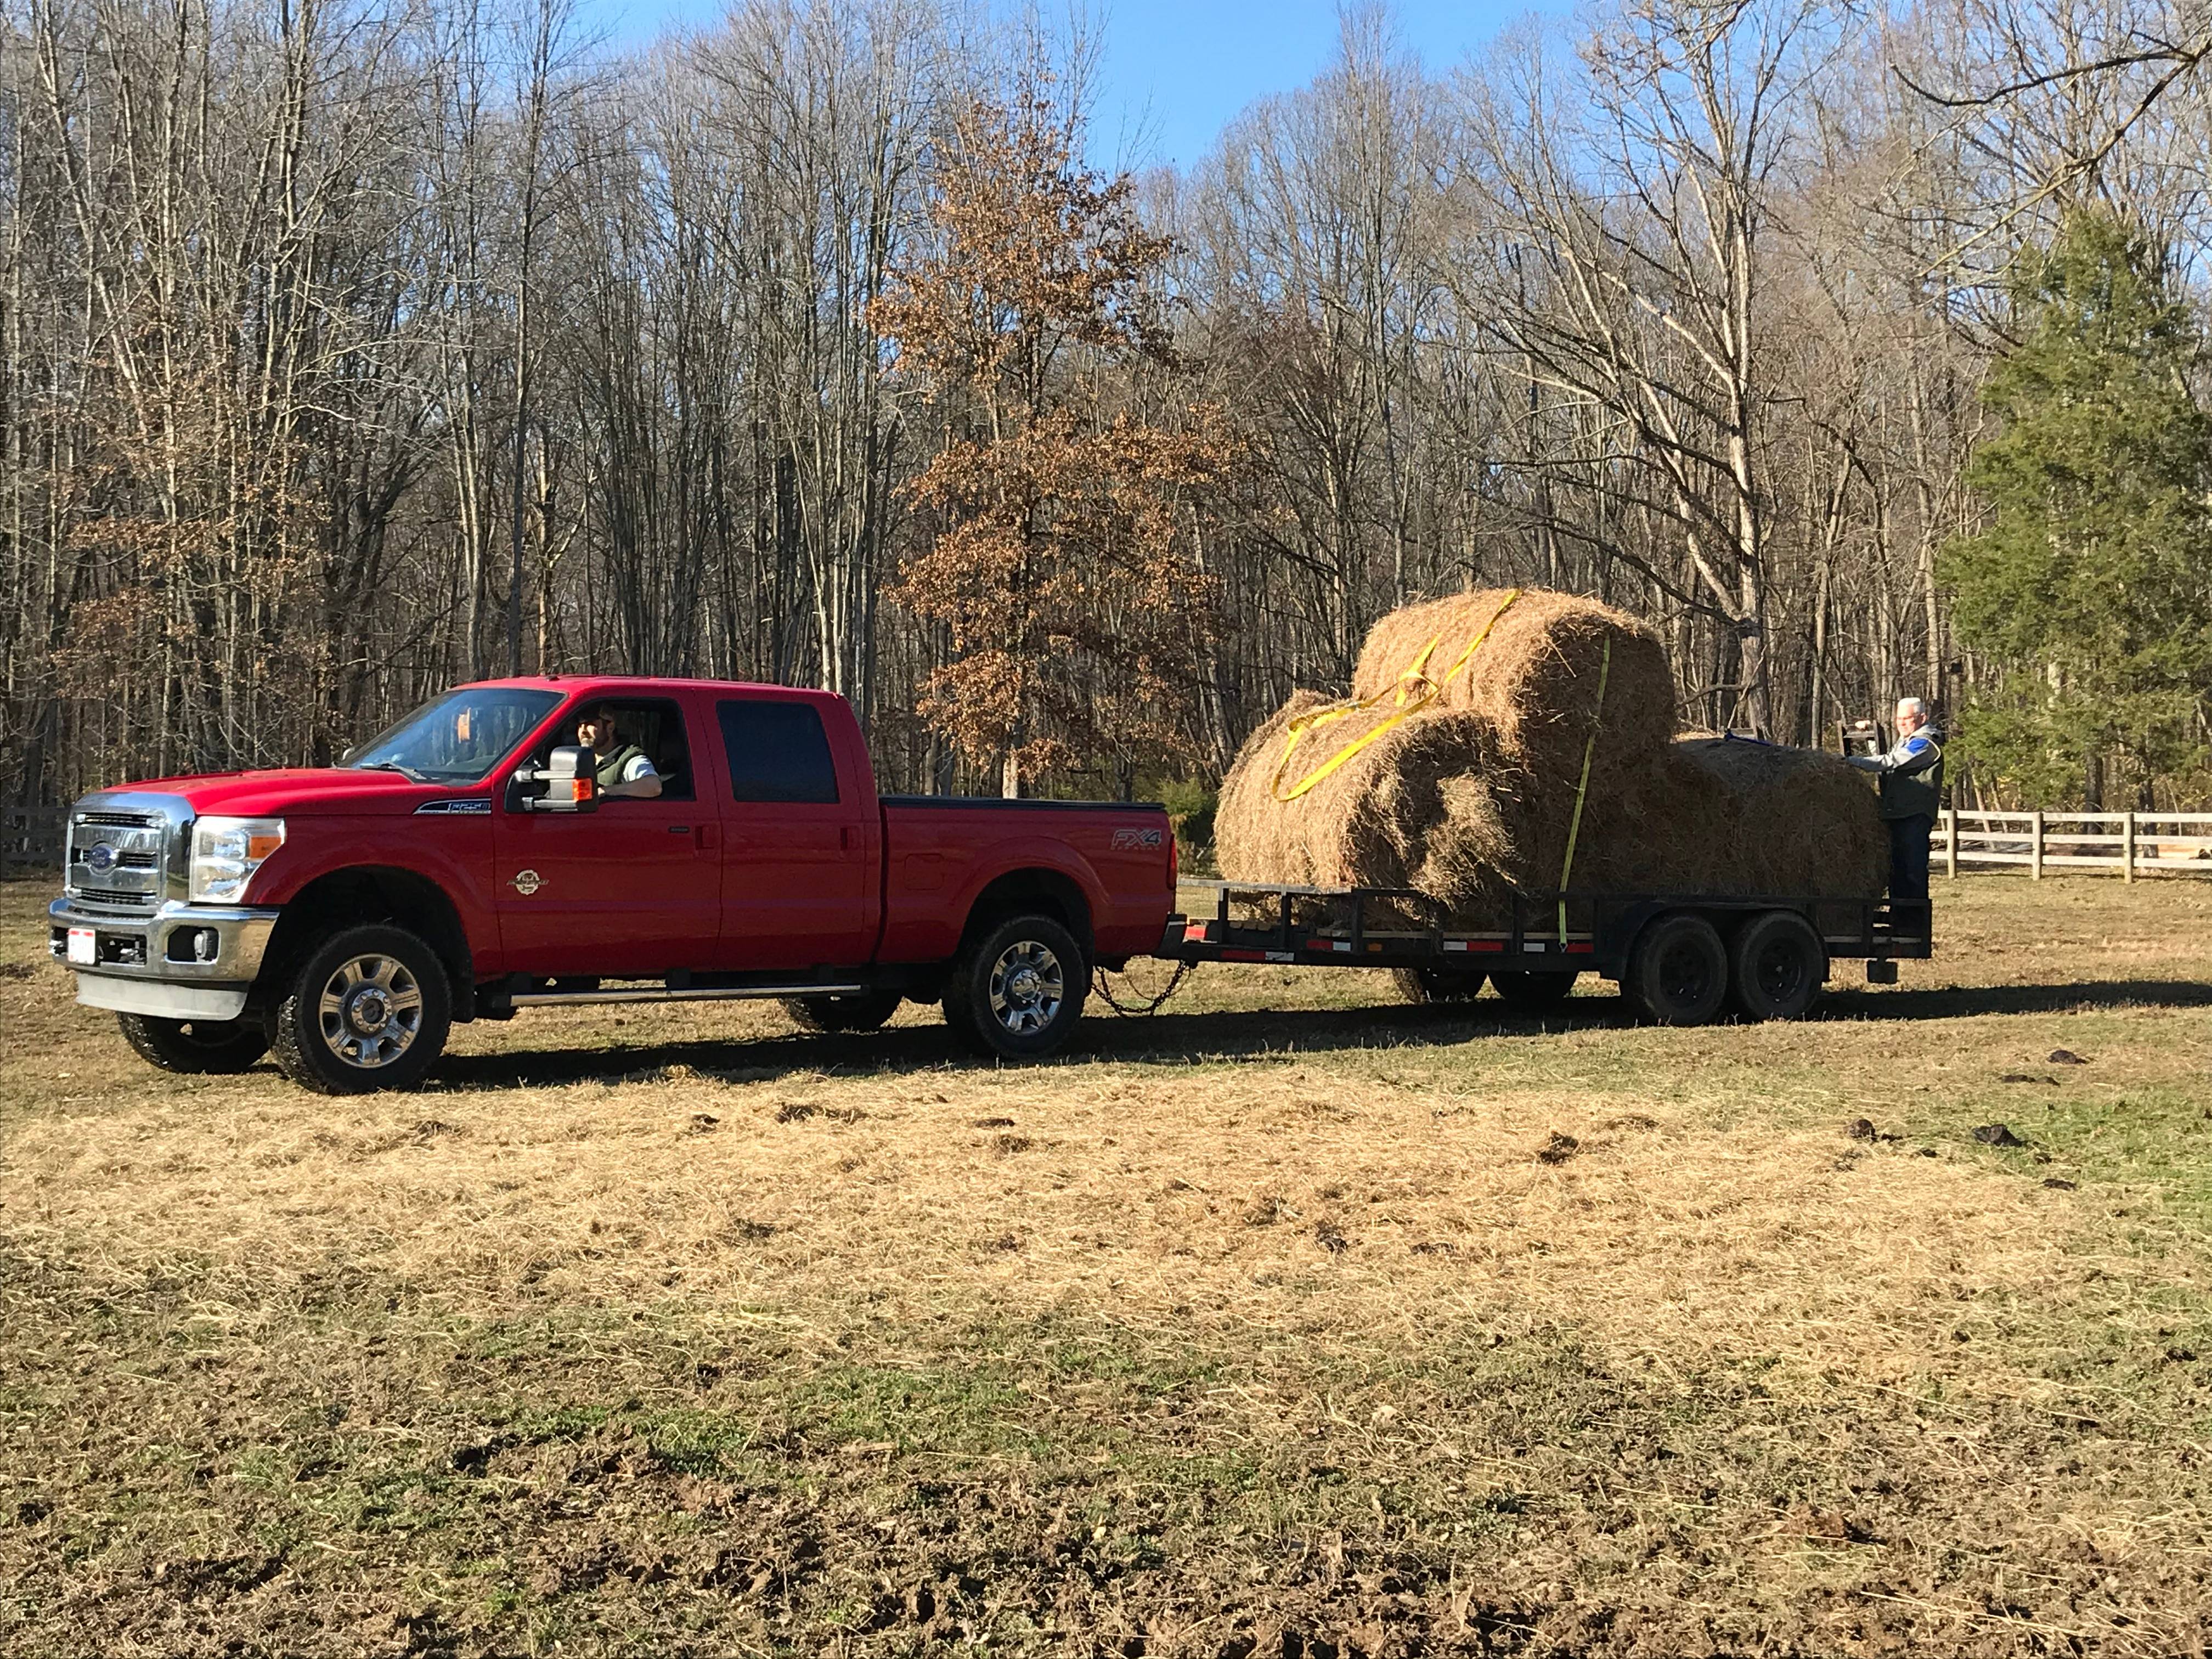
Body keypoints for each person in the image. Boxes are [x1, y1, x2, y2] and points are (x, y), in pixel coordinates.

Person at [1847, 696, 1943, 932]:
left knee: (1912, 871)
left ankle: (1914, 925)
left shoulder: (1925, 743)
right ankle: (1900, 921)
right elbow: (1889, 760)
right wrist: (1870, 737)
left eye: (1907, 719)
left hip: (1914, 815)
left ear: (1922, 718)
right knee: (1897, 870)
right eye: (1899, 719)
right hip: (1898, 814)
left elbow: (1892, 762)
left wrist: (1850, 761)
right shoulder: (1906, 741)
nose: (1902, 723)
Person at [573, 704, 663, 799]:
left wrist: (605, 791)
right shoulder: (581, 760)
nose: (583, 731)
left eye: (590, 724)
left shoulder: (628, 759)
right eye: (580, 725)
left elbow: (653, 786)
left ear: (610, 727)